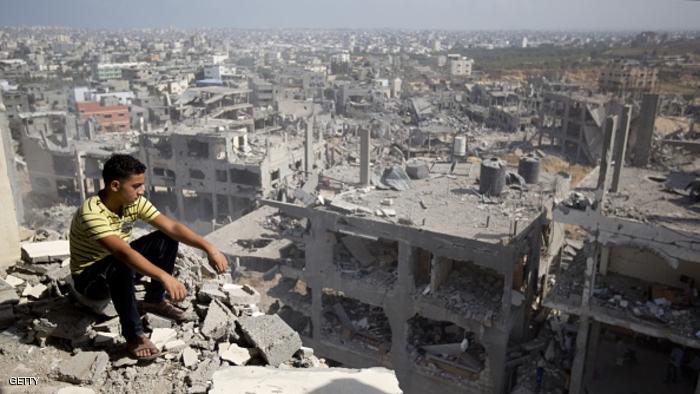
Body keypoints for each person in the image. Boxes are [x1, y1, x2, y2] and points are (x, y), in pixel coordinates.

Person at [69, 154, 229, 360]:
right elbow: (122, 252)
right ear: (115, 186)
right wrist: (164, 276)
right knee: (121, 262)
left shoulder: (133, 203)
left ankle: (154, 300)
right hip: (91, 280)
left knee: (166, 238)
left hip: (117, 266)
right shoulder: (91, 213)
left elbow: (171, 227)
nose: (142, 191)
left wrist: (209, 248)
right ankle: (134, 336)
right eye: (136, 186)